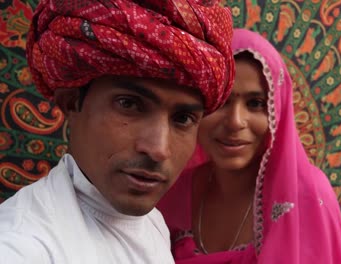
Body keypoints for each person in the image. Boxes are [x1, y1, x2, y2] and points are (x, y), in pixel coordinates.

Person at [0, 0, 235, 263]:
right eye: (129, 104)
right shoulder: (20, 246)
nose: (158, 149)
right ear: (71, 103)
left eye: (183, 118)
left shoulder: (153, 223)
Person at [157, 28, 341, 263]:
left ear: (277, 110)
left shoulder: (308, 197)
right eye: (221, 102)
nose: (235, 122)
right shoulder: (170, 190)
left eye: (256, 103)